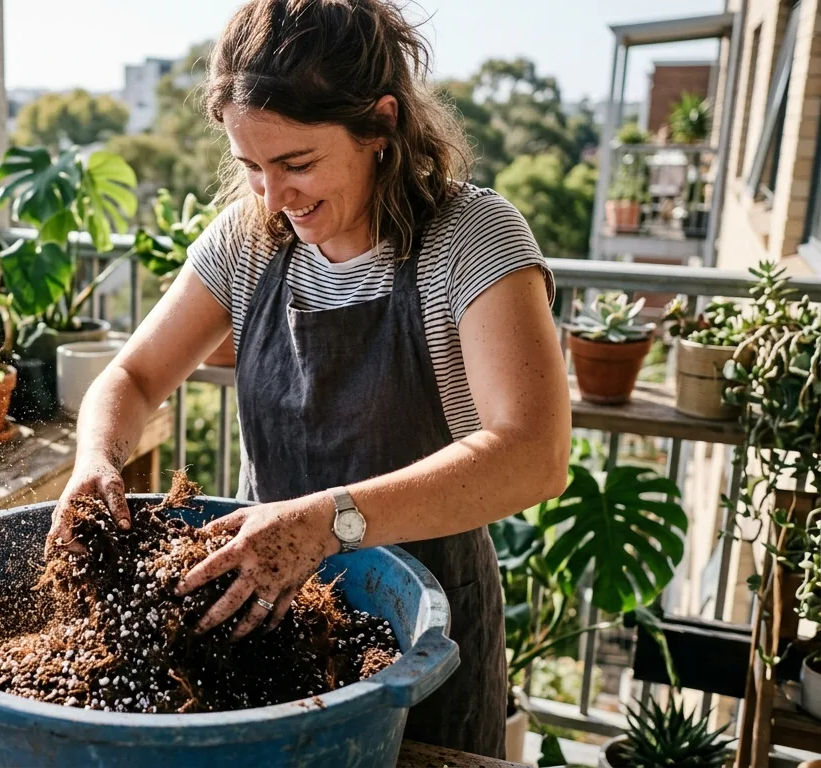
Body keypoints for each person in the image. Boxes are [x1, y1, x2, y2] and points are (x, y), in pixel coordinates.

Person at [46, 0, 572, 757]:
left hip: (423, 639)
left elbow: (532, 453)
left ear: (380, 124)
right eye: (250, 167)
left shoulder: (469, 239)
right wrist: (97, 457)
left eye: (296, 163)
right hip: (270, 611)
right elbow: (130, 375)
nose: (272, 197)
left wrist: (325, 524)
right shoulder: (248, 241)